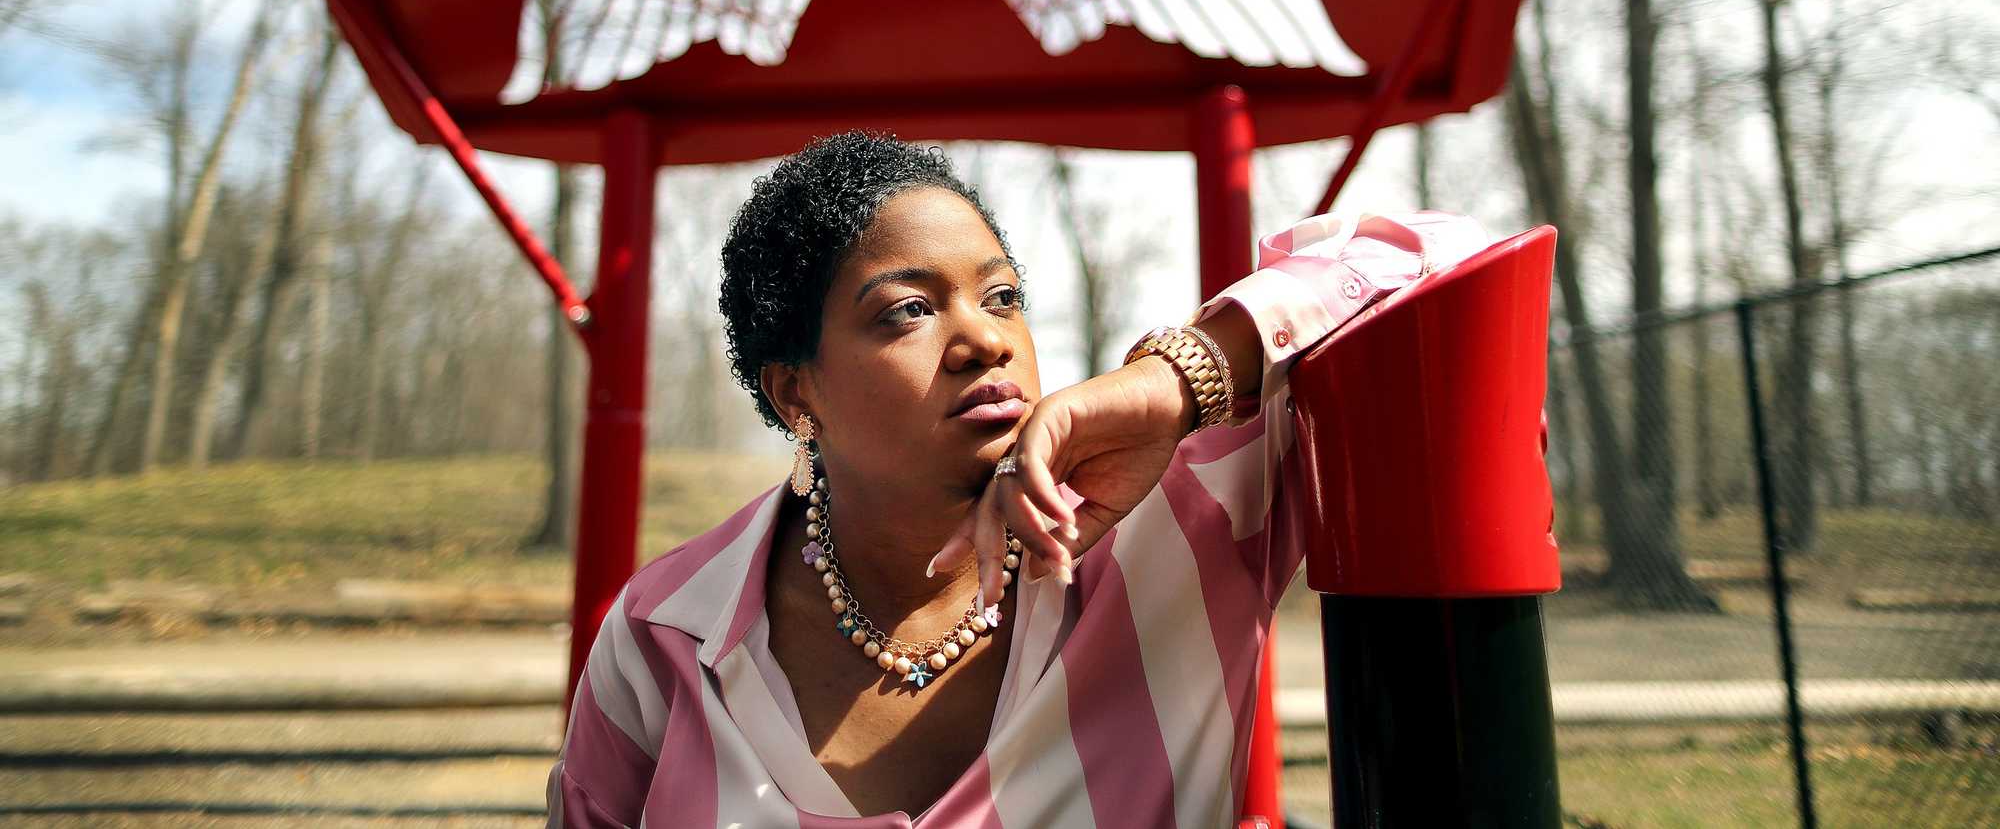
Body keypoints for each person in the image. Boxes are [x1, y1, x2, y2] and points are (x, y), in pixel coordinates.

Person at [546, 131, 1492, 827]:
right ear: (798, 393)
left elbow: (1456, 258)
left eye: (1003, 296)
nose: (986, 339)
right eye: (908, 311)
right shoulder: (662, 640)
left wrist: (1183, 374)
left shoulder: (1179, 519)